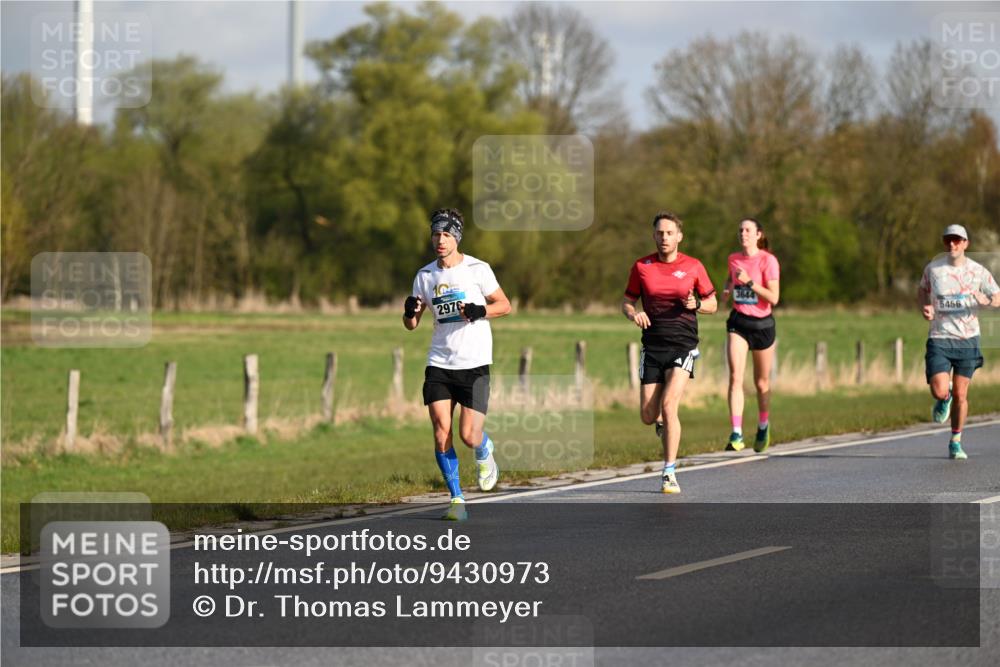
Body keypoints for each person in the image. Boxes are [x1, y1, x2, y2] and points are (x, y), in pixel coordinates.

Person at [404, 208, 512, 519]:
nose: (440, 240)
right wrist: (409, 311)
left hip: (474, 363)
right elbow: (412, 324)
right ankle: (456, 500)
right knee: (441, 431)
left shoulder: (478, 269)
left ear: (457, 238)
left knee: (468, 435)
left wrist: (480, 311)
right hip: (439, 362)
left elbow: (505, 305)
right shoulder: (424, 276)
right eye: (436, 234)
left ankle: (483, 448)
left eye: (447, 235)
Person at [622, 211, 717, 494]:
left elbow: (712, 303)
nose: (664, 238)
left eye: (669, 233)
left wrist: (696, 305)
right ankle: (661, 423)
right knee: (648, 415)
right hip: (652, 346)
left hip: (683, 345)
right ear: (654, 235)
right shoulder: (642, 266)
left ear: (679, 236)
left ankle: (669, 472)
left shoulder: (693, 266)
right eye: (660, 233)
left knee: (669, 405)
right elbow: (627, 301)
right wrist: (633, 313)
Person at [918, 224, 999, 460]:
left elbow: (997, 296)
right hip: (940, 338)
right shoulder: (934, 269)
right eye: (948, 241)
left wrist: (987, 300)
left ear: (965, 244)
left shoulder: (978, 271)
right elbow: (922, 290)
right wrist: (925, 306)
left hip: (967, 340)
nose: (952, 245)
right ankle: (945, 396)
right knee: (939, 389)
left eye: (957, 240)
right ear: (944, 243)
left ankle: (956, 440)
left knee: (963, 396)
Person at [722, 218, 781, 453]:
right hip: (739, 322)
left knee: (761, 382)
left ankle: (763, 425)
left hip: (763, 325)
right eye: (740, 230)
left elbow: (774, 298)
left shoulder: (769, 261)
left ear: (758, 234)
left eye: (748, 230)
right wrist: (727, 288)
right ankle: (736, 433)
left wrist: (750, 282)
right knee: (736, 377)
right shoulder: (733, 258)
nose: (743, 233)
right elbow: (731, 277)